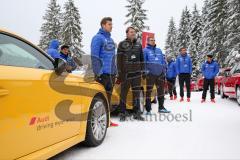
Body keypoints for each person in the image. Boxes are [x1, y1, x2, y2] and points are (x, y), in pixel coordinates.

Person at [91, 17, 118, 127]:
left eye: (112, 24)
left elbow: (113, 57)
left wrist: (115, 71)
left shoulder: (111, 40)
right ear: (103, 25)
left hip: (111, 74)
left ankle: (107, 120)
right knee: (100, 100)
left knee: (108, 99)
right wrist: (99, 73)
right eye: (109, 24)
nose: (111, 26)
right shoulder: (97, 38)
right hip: (103, 74)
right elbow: (94, 56)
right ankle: (97, 123)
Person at [117, 26, 145, 121]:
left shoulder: (138, 45)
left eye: (134, 32)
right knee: (123, 94)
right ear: (127, 33)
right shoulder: (122, 44)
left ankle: (136, 112)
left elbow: (142, 59)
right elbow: (119, 60)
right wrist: (120, 74)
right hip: (126, 73)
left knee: (136, 94)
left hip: (137, 73)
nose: (133, 33)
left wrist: (143, 70)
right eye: (131, 32)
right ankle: (122, 113)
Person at [144, 37, 170, 114]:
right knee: (149, 91)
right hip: (150, 74)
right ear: (148, 41)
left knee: (161, 91)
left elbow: (163, 61)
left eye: (154, 40)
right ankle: (148, 110)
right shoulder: (145, 51)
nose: (153, 41)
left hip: (160, 74)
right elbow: (144, 62)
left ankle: (161, 108)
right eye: (151, 40)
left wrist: (164, 70)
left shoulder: (159, 50)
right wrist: (146, 72)